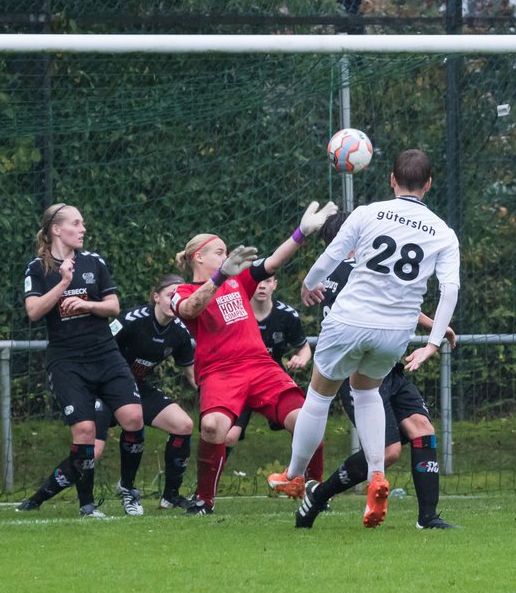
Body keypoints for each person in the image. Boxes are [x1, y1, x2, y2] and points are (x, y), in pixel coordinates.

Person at [270, 149, 460, 529]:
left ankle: (293, 475)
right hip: (395, 331)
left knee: (320, 395)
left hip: (350, 319)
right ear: (428, 184)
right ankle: (376, 475)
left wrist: (309, 284)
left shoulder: (367, 213)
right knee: (368, 392)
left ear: (391, 179)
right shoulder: (443, 231)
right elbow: (449, 289)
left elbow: (332, 257)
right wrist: (433, 343)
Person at [172, 198, 337, 514]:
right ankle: (204, 501)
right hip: (221, 372)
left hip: (260, 366)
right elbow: (192, 307)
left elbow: (272, 262)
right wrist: (219, 276)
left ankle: (316, 491)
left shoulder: (237, 280)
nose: (227, 255)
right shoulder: (182, 292)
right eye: (220, 251)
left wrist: (301, 234)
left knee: (306, 421)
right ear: (198, 257)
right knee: (211, 428)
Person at [15, 203, 145, 518]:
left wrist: (87, 306)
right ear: (57, 229)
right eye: (76, 223)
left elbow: (114, 306)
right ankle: (86, 505)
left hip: (104, 354)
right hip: (67, 361)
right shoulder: (37, 268)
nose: (83, 229)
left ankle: (128, 488)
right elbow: (33, 312)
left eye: (83, 223)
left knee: (133, 419)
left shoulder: (94, 262)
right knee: (85, 431)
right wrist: (62, 284)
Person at [90, 273, 200, 512]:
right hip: (107, 387)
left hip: (137, 387)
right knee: (92, 448)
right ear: (156, 297)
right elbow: (98, 349)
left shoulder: (180, 332)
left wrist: (220, 392)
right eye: (170, 295)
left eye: (180, 297)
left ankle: (170, 496)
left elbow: (193, 376)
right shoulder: (131, 320)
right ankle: (102, 495)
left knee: (183, 425)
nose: (175, 301)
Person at [224, 275, 321, 483]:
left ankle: (311, 485)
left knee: (303, 425)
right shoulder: (235, 312)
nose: (261, 285)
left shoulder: (286, 315)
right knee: (228, 436)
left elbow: (304, 348)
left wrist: (301, 358)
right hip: (239, 381)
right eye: (259, 281)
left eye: (267, 281)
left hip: (272, 382)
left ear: (275, 285)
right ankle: (205, 494)